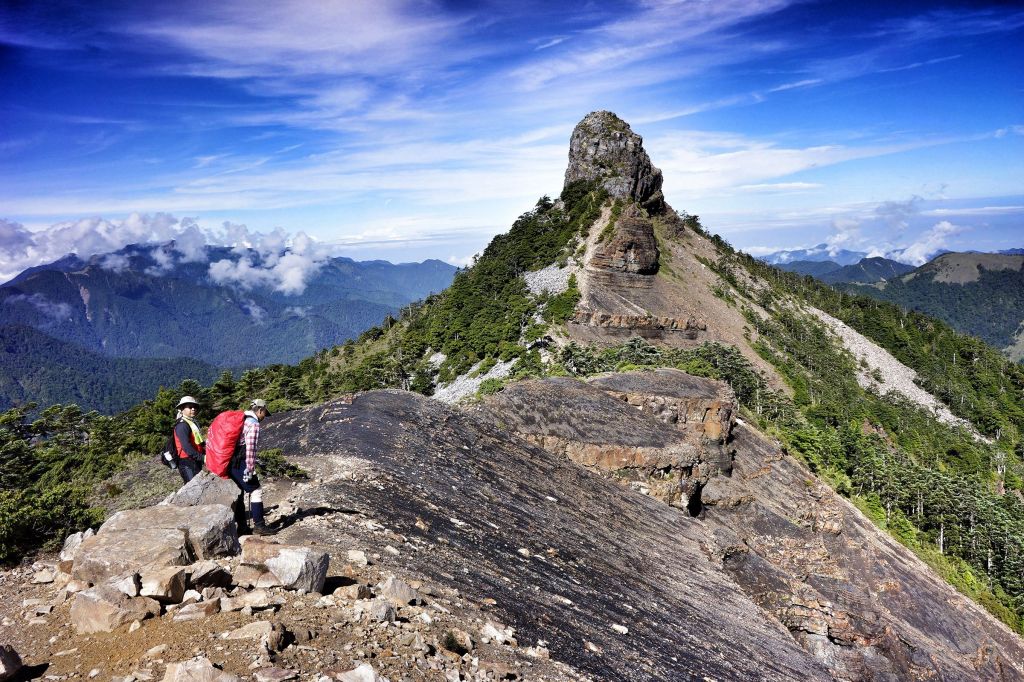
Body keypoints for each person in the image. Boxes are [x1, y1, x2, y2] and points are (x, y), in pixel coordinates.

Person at [229, 398, 275, 536]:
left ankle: (242, 527)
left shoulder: (242, 418)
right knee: (256, 490)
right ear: (260, 410)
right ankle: (259, 525)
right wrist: (249, 468)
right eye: (264, 414)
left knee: (240, 493)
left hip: (230, 461)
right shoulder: (253, 424)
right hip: (240, 462)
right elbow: (251, 449)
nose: (263, 418)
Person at [173, 396, 205, 484]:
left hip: (194, 459)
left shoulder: (191, 422)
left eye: (194, 407)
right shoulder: (182, 425)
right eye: (190, 407)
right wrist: (202, 457)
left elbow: (197, 440)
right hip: (187, 462)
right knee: (193, 487)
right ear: (182, 409)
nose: (193, 409)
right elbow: (186, 447)